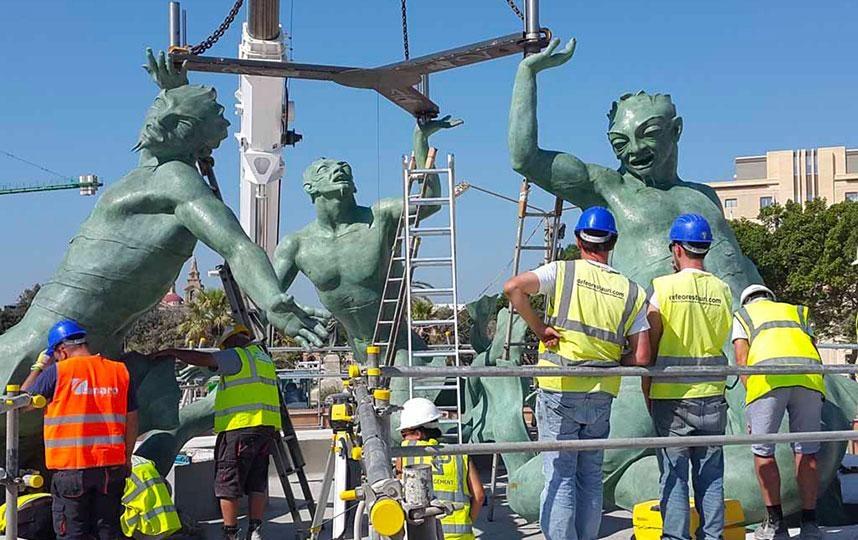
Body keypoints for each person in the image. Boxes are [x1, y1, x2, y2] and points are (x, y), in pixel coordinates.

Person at [503, 206, 651, 540]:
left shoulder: (563, 272)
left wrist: (540, 329)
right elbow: (642, 355)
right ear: (611, 242)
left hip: (559, 388)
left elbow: (513, 287)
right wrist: (616, 358)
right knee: (590, 476)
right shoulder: (632, 291)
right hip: (601, 392)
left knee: (560, 475)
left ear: (578, 240)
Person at [645, 214, 732, 540]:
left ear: (677, 248)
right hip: (712, 393)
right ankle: (713, 536)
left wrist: (648, 387)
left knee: (674, 475)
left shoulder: (663, 287)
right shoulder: (722, 290)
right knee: (711, 476)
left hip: (671, 397)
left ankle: (676, 537)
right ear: (705, 249)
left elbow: (650, 344)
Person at [155, 325, 281, 540]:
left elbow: (206, 360)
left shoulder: (236, 356)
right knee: (256, 481)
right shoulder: (262, 358)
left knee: (228, 482)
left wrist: (174, 352)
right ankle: (255, 530)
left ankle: (230, 533)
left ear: (230, 343)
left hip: (240, 427)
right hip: (265, 428)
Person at [22, 319, 138, 540]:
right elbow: (131, 419)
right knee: (108, 532)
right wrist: (127, 458)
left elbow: (19, 403)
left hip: (71, 469)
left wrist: (39, 367)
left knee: (73, 534)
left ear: (62, 351)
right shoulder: (119, 371)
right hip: (110, 469)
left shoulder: (58, 372)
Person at [733, 285, 826, 540]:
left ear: (747, 301)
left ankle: (775, 524)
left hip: (767, 381)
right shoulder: (796, 311)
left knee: (763, 450)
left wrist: (751, 405)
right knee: (807, 452)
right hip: (808, 380)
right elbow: (812, 348)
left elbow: (742, 360)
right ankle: (810, 524)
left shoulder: (743, 315)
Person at [397, 398, 484, 540]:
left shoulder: (406, 451)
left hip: (422, 534)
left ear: (418, 434)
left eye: (404, 433)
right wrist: (467, 523)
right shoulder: (459, 454)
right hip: (461, 536)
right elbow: (479, 496)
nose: (403, 438)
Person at [120, 455, 181, 540]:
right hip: (169, 521)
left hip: (145, 527)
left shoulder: (112, 468)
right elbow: (167, 487)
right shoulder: (141, 461)